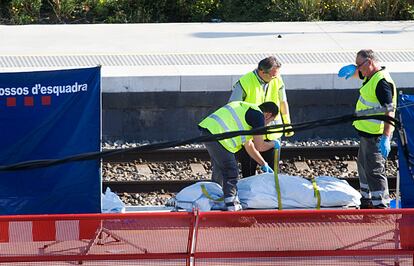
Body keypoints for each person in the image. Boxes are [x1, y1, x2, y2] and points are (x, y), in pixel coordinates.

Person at [338, 49, 396, 209]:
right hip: (366, 135)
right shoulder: (372, 76)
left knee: (375, 172)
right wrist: (353, 70)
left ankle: (381, 207)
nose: (358, 69)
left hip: (375, 136)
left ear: (369, 62)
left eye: (359, 65)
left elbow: (389, 110)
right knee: (363, 168)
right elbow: (361, 75)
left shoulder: (381, 83)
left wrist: (386, 137)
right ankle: (367, 200)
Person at [198, 101, 280, 211]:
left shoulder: (247, 110)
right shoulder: (258, 116)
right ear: (268, 115)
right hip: (218, 135)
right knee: (231, 170)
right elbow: (260, 146)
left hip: (209, 130)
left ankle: (214, 200)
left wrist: (263, 164)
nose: (268, 124)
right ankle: (232, 205)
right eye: (271, 121)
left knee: (220, 168)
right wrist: (273, 144)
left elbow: (249, 145)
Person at [228, 56, 293, 178]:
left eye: (276, 74)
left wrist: (287, 123)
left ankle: (272, 195)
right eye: (272, 75)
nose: (275, 77)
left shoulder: (277, 79)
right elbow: (233, 107)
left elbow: (283, 102)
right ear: (262, 72)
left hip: (272, 133)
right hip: (250, 135)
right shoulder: (245, 82)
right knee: (248, 173)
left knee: (273, 174)